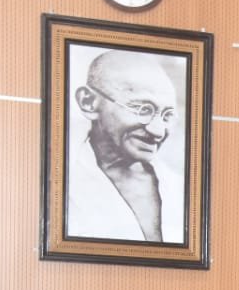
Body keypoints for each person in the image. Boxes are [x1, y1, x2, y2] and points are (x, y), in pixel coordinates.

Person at [68, 50, 184, 244]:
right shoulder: (60, 182)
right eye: (143, 110)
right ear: (88, 102)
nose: (158, 132)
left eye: (167, 116)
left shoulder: (180, 189)